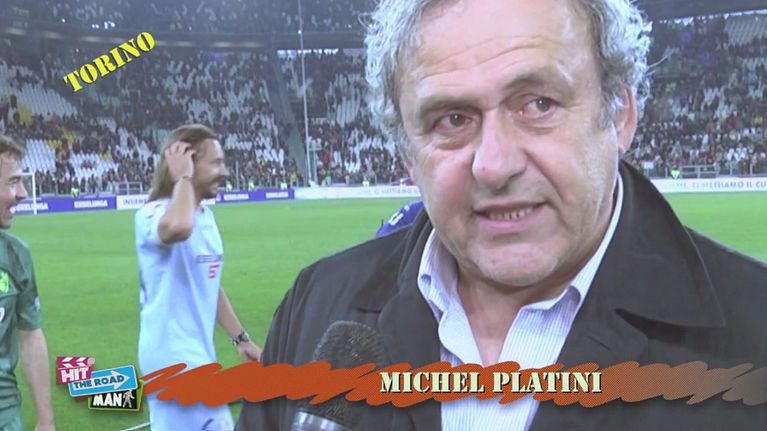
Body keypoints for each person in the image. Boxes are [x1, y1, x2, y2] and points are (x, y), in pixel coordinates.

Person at [237, 0, 767, 429]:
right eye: (452, 119)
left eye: (538, 104)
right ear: (407, 156)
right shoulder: (315, 307)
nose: (493, 165)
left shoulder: (754, 331)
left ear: (620, 115)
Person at [135, 124, 261, 431]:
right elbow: (177, 228)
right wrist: (183, 178)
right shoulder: (152, 214)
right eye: (216, 163)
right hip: (174, 361)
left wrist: (240, 338)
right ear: (187, 162)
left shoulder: (205, 216)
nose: (224, 172)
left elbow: (209, 283)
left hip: (195, 356)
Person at [0, 135, 55, 431]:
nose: (22, 193)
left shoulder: (16, 254)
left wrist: (46, 419)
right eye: (13, 182)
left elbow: (31, 336)